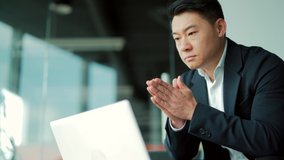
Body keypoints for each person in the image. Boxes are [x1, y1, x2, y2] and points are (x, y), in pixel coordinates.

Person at [146, 0, 284, 159]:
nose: (184, 46)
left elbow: (271, 140)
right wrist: (178, 122)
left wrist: (194, 112)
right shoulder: (187, 83)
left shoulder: (265, 66)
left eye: (191, 33)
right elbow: (181, 155)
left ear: (220, 28)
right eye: (177, 38)